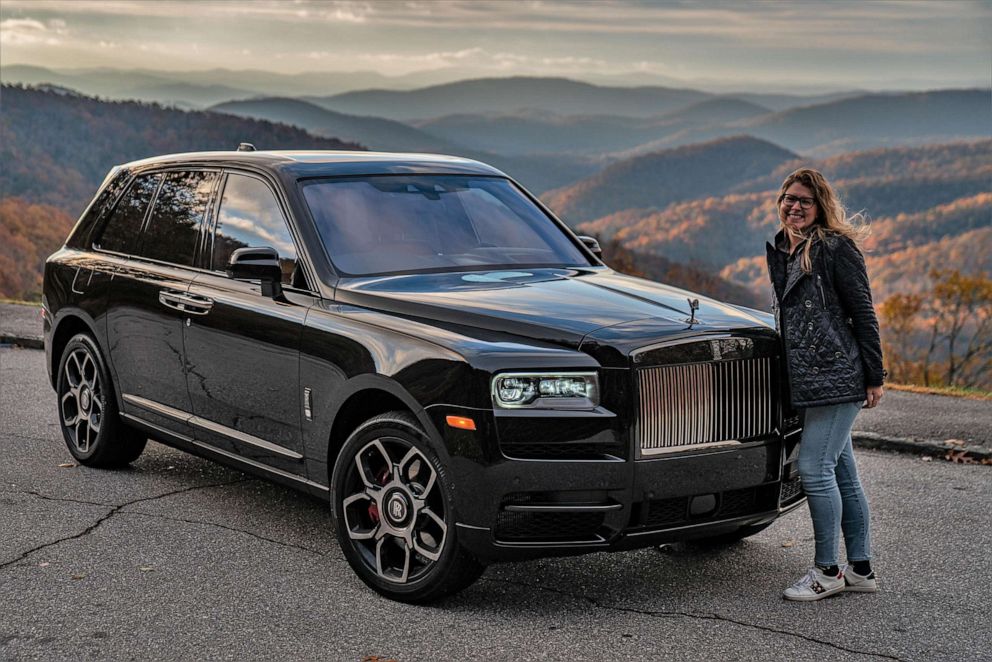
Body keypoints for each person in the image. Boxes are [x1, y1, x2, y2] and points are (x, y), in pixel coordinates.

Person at [765, 168, 885, 602]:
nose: (794, 206)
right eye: (789, 198)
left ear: (821, 207)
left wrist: (875, 376)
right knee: (843, 473)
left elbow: (864, 314)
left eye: (805, 201)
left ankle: (827, 570)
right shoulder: (782, 248)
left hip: (838, 377)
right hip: (810, 382)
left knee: (815, 469)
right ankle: (860, 569)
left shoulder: (835, 248)